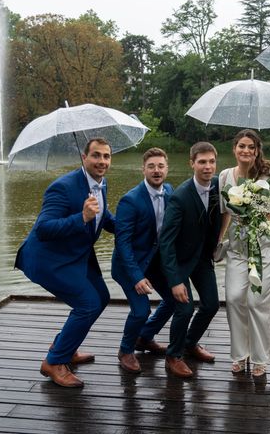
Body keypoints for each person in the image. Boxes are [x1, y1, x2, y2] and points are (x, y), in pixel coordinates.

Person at [15, 138, 115, 388]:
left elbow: (103, 216)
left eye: (106, 156)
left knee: (101, 297)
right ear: (84, 157)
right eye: (96, 156)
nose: (102, 161)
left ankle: (66, 347)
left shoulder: (101, 184)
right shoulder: (62, 187)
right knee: (87, 303)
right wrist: (81, 216)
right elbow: (44, 228)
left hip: (75, 254)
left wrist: (131, 227)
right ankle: (54, 362)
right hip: (48, 259)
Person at [217, 129, 270, 377]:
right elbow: (226, 212)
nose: (246, 151)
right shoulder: (226, 176)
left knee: (257, 302)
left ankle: (260, 358)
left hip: (266, 248)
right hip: (238, 247)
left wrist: (257, 214)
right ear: (234, 149)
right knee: (235, 298)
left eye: (251, 147)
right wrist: (219, 240)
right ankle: (240, 354)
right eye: (241, 146)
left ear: (258, 150)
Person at [159, 142, 221, 378]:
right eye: (202, 162)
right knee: (184, 308)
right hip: (181, 260)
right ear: (192, 163)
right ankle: (173, 356)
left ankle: (190, 343)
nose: (207, 167)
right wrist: (175, 280)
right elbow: (166, 242)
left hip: (203, 258)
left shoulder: (217, 186)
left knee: (212, 304)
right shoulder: (180, 197)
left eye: (211, 161)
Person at [112, 147, 175, 373]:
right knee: (141, 310)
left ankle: (145, 337)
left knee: (174, 299)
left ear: (167, 168)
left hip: (153, 261)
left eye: (160, 166)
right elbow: (123, 244)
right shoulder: (130, 200)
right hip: (129, 266)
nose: (156, 171)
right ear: (143, 170)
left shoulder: (169, 191)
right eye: (151, 167)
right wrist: (137, 277)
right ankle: (126, 350)